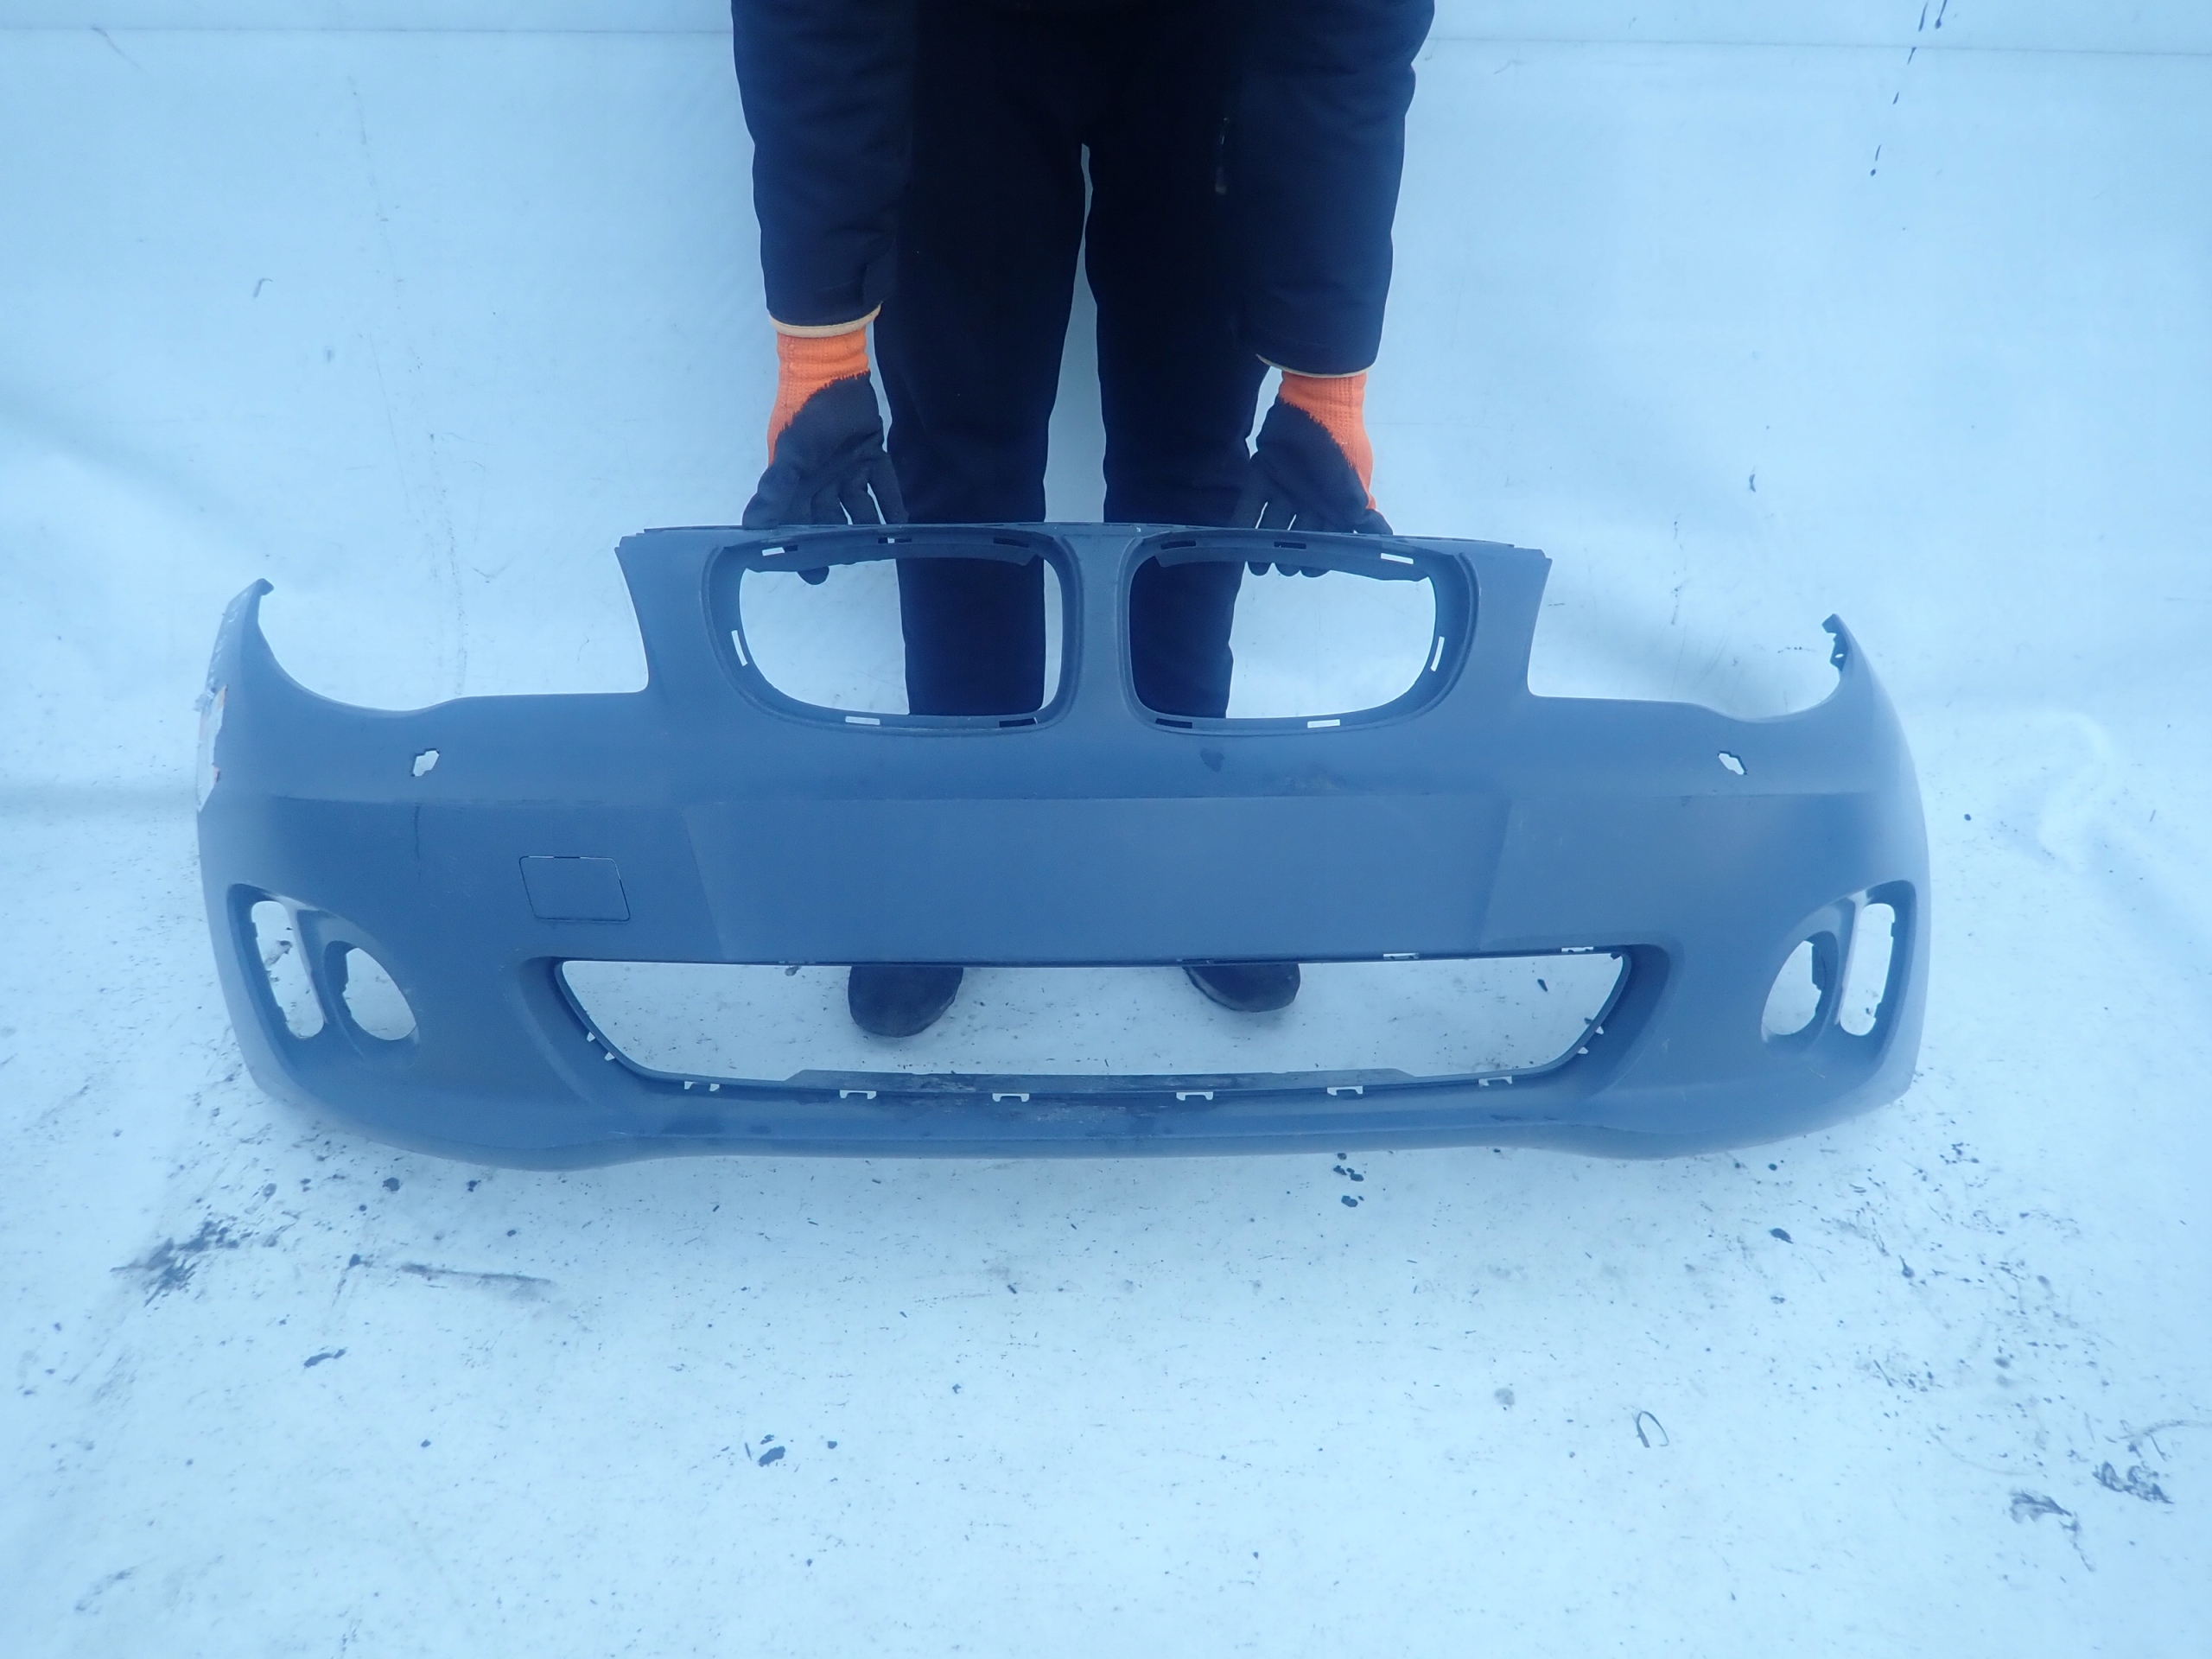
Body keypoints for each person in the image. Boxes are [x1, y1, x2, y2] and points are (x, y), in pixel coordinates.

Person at [731, 0, 1433, 1035]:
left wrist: (1325, 380)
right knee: (958, 453)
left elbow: (1346, 44)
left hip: (1213, 34)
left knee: (1191, 452)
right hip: (968, 35)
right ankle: (968, 815)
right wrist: (821, 348)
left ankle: (1174, 802)